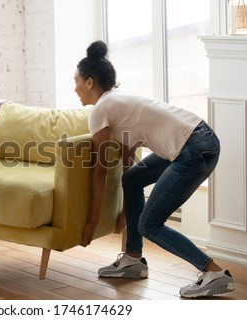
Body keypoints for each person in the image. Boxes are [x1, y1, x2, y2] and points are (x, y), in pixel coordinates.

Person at [75, 40, 235, 298]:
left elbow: (100, 171)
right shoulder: (119, 99)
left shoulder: (100, 111)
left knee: (149, 224)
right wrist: (125, 211)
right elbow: (128, 159)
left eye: (77, 82)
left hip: (191, 150)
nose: (75, 89)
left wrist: (93, 222)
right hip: (202, 138)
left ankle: (214, 273)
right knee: (133, 178)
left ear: (90, 82)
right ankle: (133, 260)